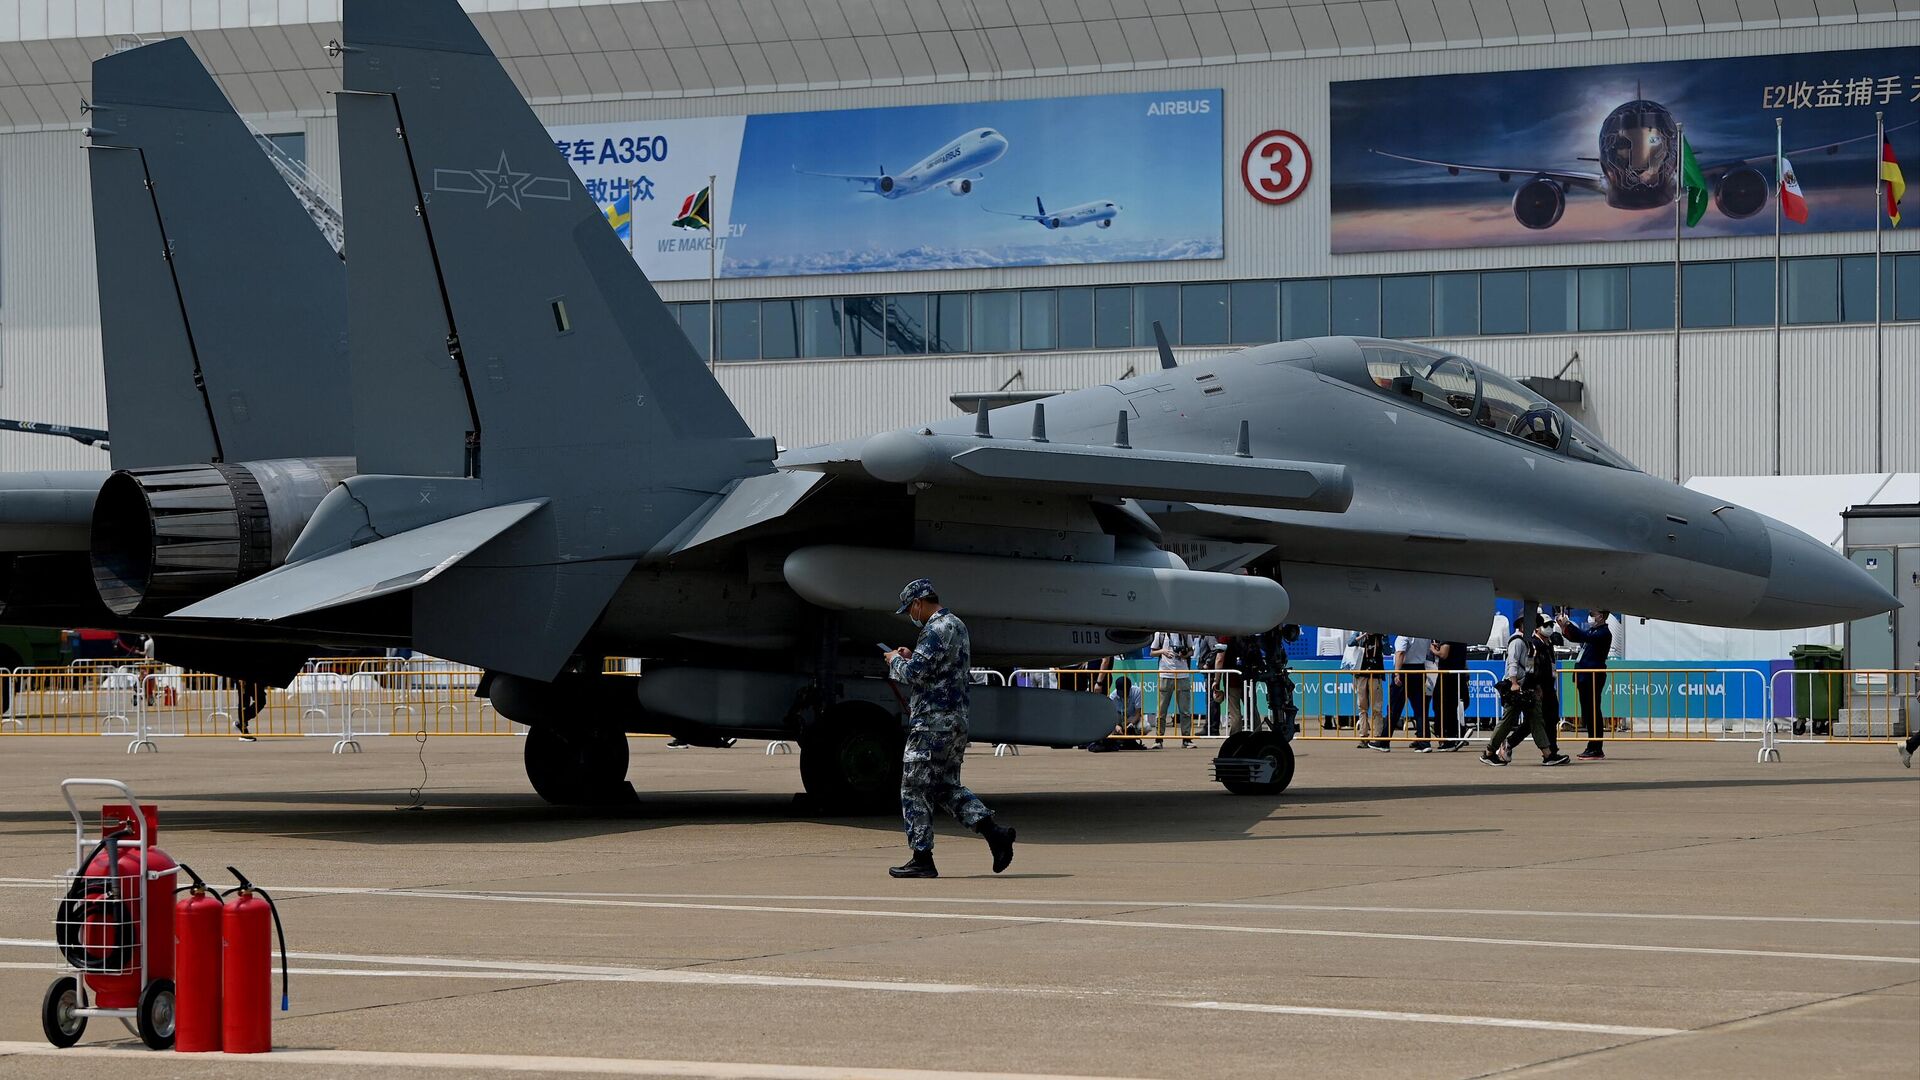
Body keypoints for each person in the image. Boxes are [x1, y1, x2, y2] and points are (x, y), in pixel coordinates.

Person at [883, 578, 1016, 879]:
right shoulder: (956, 625)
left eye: (910, 610)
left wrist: (894, 661)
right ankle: (995, 834)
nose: (911, 616)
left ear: (918, 603)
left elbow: (915, 674)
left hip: (932, 723)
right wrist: (910, 656)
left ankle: (922, 858)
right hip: (955, 722)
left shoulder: (934, 629)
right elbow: (938, 668)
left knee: (914, 787)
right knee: (944, 787)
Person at [1482, 618, 1569, 767]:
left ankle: (1548, 755)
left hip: (1527, 687)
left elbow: (1529, 667)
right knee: (1507, 722)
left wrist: (1536, 687)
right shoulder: (1517, 641)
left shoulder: (1527, 642)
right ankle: (1489, 753)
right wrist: (1514, 683)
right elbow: (1513, 663)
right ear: (1522, 624)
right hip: (1515, 688)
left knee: (1536, 720)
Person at [1557, 610, 1614, 760]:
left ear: (1601, 616)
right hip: (1584, 676)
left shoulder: (1603, 633)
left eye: (1593, 614)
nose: (1590, 616)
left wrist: (1568, 624)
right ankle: (1592, 745)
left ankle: (1596, 747)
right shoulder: (1594, 631)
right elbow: (1577, 637)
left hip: (1593, 676)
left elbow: (1584, 636)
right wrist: (1564, 628)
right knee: (1588, 712)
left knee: (1593, 711)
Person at [1148, 630, 1201, 748]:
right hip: (1165, 674)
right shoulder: (1160, 634)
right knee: (1161, 710)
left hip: (1183, 674)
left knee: (1185, 710)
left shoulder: (1185, 633)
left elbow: (1192, 651)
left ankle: (1186, 739)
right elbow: (1152, 652)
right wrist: (1163, 651)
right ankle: (1158, 739)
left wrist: (1184, 654)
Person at [1348, 631, 1390, 751]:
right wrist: (1363, 635)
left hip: (1376, 675)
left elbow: (1387, 651)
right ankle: (1363, 737)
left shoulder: (1381, 636)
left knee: (1377, 708)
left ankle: (1378, 737)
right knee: (1362, 707)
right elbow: (1350, 643)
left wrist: (1384, 638)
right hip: (1361, 675)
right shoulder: (1359, 632)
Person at [1389, 635, 1432, 750]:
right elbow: (1428, 652)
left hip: (1405, 669)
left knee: (1394, 708)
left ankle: (1384, 740)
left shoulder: (1404, 635)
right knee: (1420, 709)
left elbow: (1400, 653)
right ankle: (1424, 742)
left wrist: (1397, 673)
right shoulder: (1424, 635)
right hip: (1419, 669)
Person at [1431, 640, 1472, 751]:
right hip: (1458, 674)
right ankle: (1457, 733)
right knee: (1450, 706)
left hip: (1447, 675)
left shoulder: (1447, 635)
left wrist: (1434, 650)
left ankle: (1450, 737)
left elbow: (1444, 654)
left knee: (1442, 706)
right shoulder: (1460, 637)